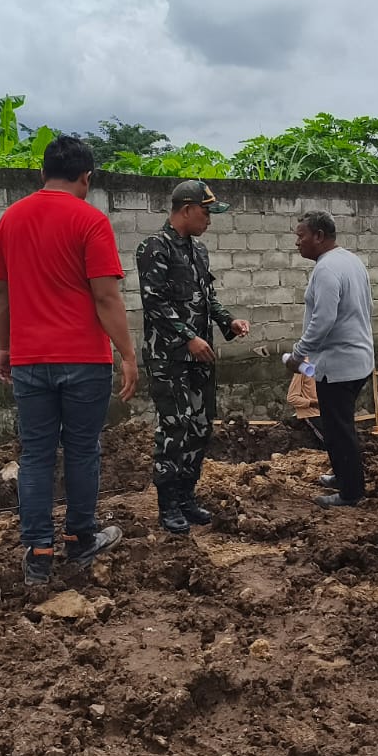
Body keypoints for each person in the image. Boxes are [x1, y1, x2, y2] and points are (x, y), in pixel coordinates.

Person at [0, 135, 140, 594]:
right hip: (84, 361)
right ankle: (80, 539)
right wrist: (129, 353)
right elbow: (105, 295)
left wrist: (3, 347)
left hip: (30, 360)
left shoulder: (10, 220)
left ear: (42, 173)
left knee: (34, 455)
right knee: (81, 449)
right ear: (86, 178)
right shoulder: (91, 221)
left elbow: (1, 294)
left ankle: (37, 553)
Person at [136, 179, 251, 534]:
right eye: (206, 212)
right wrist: (188, 339)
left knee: (201, 428)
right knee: (174, 428)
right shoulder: (153, 247)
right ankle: (168, 504)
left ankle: (187, 496)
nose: (209, 220)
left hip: (199, 357)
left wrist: (229, 321)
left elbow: (207, 297)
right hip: (169, 357)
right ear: (186, 209)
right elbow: (154, 303)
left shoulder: (198, 252)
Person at [285, 210, 375, 508]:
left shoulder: (325, 270)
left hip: (338, 366)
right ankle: (342, 474)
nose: (297, 242)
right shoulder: (351, 261)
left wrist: (298, 355)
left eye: (301, 236)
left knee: (339, 428)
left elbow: (323, 320)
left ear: (319, 236)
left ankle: (351, 492)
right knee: (338, 423)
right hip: (358, 360)